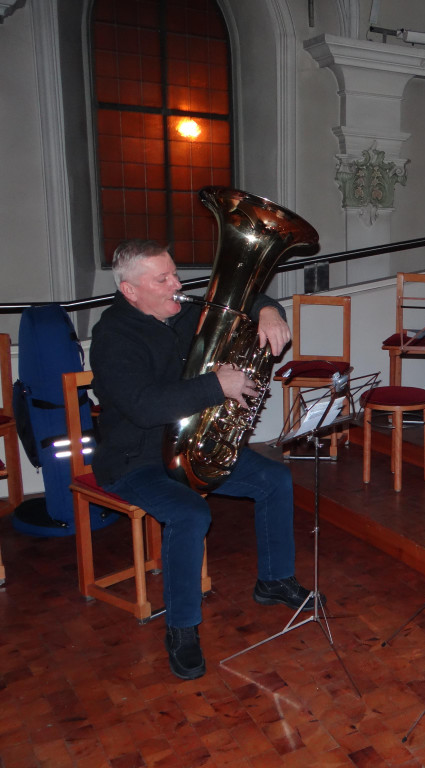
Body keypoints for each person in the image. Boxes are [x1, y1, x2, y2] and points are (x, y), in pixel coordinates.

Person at [90, 239, 318, 681]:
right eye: (162, 279)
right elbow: (144, 406)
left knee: (275, 479)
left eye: (174, 273)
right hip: (135, 460)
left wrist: (270, 310)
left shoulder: (183, 310)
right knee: (190, 513)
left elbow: (241, 300)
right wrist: (217, 386)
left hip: (192, 445)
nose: (177, 284)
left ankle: (274, 581)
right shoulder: (112, 336)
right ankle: (181, 629)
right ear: (130, 290)